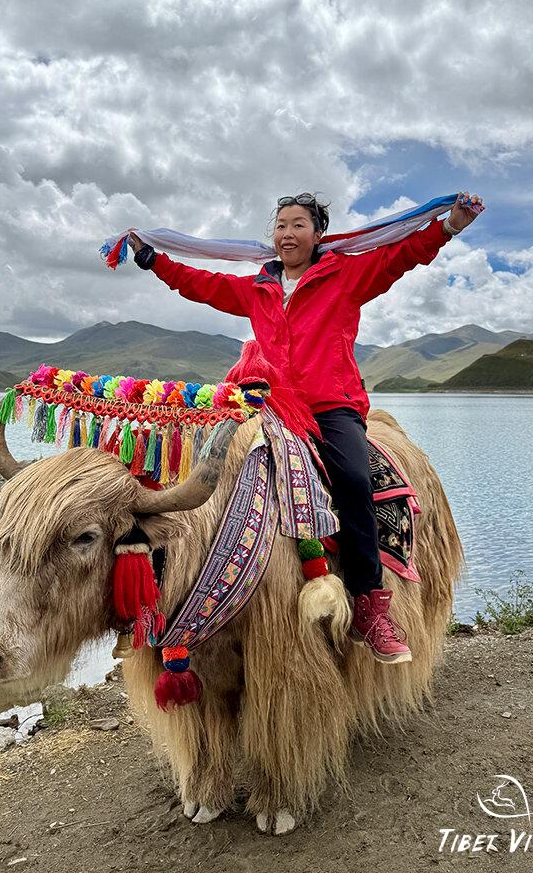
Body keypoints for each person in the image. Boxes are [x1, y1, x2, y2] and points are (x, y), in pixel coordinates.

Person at [129, 191, 485, 664]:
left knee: (354, 480)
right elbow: (202, 285)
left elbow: (402, 256)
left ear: (318, 235)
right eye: (280, 225)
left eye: (298, 225)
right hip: (266, 402)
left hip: (330, 406)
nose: (287, 234)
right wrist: (153, 260)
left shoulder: (346, 276)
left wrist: (449, 226)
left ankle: (369, 607)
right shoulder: (258, 288)